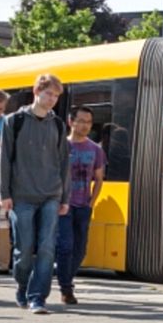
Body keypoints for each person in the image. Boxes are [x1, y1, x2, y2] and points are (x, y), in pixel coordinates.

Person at [0, 74, 69, 315]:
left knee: (47, 247)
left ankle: (38, 296)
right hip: (22, 196)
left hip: (51, 194)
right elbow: (4, 160)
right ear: (36, 91)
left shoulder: (58, 124)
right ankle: (22, 285)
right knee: (24, 248)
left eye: (56, 96)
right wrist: (4, 193)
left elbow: (63, 163)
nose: (52, 100)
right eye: (48, 93)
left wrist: (65, 198)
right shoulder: (14, 121)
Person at [54, 105, 107, 306]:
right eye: (81, 121)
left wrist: (91, 203)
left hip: (83, 205)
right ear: (71, 122)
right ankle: (66, 287)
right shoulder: (61, 147)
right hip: (63, 205)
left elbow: (99, 178)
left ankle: (65, 277)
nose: (85, 126)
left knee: (80, 250)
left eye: (89, 122)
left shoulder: (96, 150)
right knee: (65, 246)